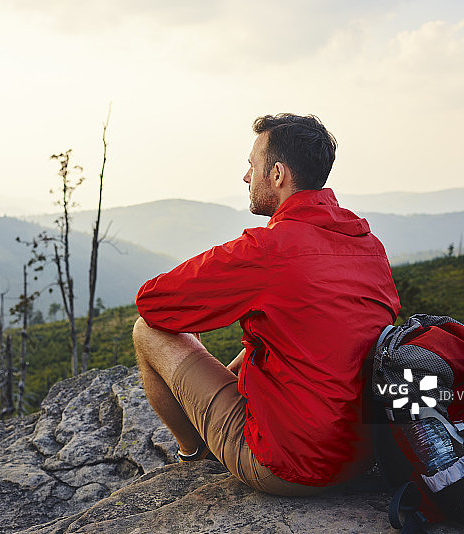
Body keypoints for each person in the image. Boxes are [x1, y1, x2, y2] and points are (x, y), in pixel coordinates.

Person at [133, 113, 401, 496]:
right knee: (266, 338)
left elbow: (154, 303)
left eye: (251, 166)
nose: (246, 177)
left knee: (147, 331)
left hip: (289, 466)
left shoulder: (268, 250)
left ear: (276, 175)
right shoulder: (369, 245)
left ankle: (193, 459)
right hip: (361, 456)